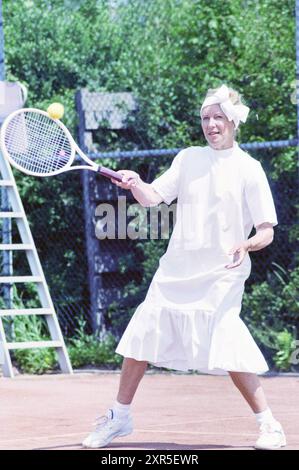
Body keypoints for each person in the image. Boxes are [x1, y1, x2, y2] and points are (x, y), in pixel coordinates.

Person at [82, 84, 286, 450]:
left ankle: (270, 425)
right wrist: (136, 184)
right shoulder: (188, 158)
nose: (210, 124)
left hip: (223, 271)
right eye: (205, 118)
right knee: (143, 335)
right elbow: (153, 198)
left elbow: (266, 231)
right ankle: (119, 417)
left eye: (218, 117)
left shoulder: (248, 169)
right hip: (176, 269)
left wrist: (246, 243)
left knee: (227, 340)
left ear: (233, 121)